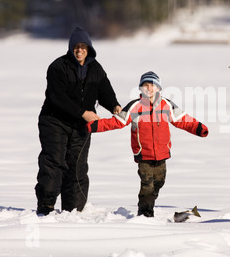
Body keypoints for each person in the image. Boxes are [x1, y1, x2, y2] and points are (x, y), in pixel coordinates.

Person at [87, 71, 209, 217]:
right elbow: (117, 122)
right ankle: (145, 213)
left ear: (158, 88)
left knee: (159, 182)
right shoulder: (135, 107)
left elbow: (182, 119)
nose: (149, 88)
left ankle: (149, 203)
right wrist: (93, 126)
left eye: (152, 85)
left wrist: (199, 128)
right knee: (147, 185)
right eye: (145, 85)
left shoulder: (166, 105)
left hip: (162, 153)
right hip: (143, 154)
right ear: (140, 89)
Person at [36, 26, 122, 216]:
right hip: (54, 121)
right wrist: (83, 112)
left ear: (89, 48)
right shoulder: (58, 67)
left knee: (77, 167)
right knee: (54, 162)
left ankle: (73, 211)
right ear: (71, 47)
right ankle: (46, 207)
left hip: (81, 127)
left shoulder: (96, 69)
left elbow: (104, 90)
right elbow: (57, 97)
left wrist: (114, 106)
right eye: (76, 46)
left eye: (84, 46)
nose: (80, 50)